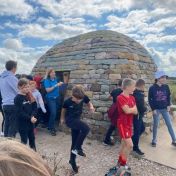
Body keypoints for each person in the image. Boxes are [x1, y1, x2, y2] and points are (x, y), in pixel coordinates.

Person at [60, 85, 95, 174]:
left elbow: (88, 102)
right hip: (70, 120)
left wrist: (91, 106)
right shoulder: (67, 101)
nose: (79, 101)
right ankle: (78, 148)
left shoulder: (83, 97)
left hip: (77, 120)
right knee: (86, 129)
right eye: (77, 99)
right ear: (72, 95)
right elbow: (63, 110)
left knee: (74, 141)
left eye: (80, 99)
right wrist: (62, 118)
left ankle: (72, 160)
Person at [114, 78, 137, 174]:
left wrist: (130, 109)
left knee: (124, 143)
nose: (134, 88)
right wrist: (130, 109)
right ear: (127, 87)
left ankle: (119, 162)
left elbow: (135, 111)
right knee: (130, 145)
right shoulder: (120, 97)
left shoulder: (132, 98)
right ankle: (123, 164)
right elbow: (127, 111)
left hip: (129, 123)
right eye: (133, 86)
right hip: (123, 124)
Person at [148, 70, 176, 147]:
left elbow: (168, 97)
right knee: (155, 125)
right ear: (158, 78)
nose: (165, 79)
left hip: (164, 109)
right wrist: (153, 109)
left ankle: (174, 140)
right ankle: (154, 140)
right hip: (156, 110)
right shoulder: (152, 88)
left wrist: (169, 105)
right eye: (163, 77)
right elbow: (150, 99)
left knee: (169, 124)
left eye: (165, 77)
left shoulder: (166, 87)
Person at [14, 78, 38, 151]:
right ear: (19, 87)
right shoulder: (17, 98)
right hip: (22, 123)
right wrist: (30, 118)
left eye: (28, 86)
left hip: (31, 122)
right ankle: (23, 156)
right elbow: (19, 112)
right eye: (25, 87)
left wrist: (33, 116)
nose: (27, 88)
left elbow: (35, 107)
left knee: (32, 139)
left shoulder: (30, 95)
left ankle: (34, 155)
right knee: (24, 141)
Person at [0, 60, 18, 137]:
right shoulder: (12, 78)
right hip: (12, 104)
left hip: (5, 104)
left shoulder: (1, 78)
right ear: (13, 68)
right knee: (13, 126)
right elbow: (18, 90)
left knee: (7, 123)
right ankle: (11, 143)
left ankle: (6, 142)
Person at [103, 79, 123, 146]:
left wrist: (114, 99)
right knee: (113, 126)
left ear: (118, 84)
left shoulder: (114, 91)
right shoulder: (123, 92)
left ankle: (107, 140)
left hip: (114, 108)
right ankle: (106, 140)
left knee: (113, 125)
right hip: (119, 110)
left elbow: (109, 97)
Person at [132, 79, 147, 156]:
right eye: (144, 86)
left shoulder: (134, 92)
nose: (144, 87)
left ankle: (132, 140)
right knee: (137, 131)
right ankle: (135, 148)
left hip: (136, 115)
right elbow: (141, 107)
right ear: (142, 85)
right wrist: (146, 108)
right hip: (137, 115)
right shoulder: (139, 95)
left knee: (142, 129)